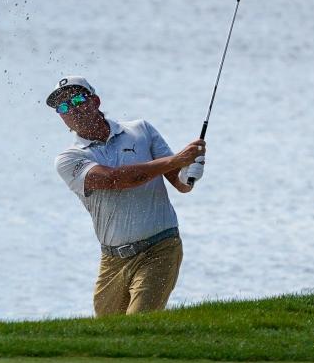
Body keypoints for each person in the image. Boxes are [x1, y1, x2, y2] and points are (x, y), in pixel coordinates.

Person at [47, 76, 205, 317]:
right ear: (61, 117)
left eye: (78, 98)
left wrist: (190, 171)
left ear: (95, 101)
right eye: (64, 107)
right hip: (112, 260)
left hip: (160, 248)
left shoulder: (141, 130)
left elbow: (180, 183)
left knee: (138, 323)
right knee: (108, 335)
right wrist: (176, 160)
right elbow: (116, 179)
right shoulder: (69, 159)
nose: (73, 108)